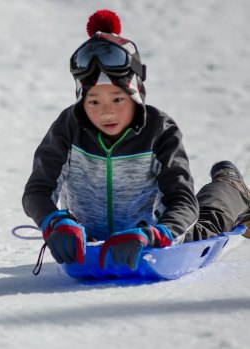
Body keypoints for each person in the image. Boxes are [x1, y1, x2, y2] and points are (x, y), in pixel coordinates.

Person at [22, 10, 250, 271]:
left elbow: (182, 202)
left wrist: (153, 235)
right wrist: (54, 221)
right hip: (90, 241)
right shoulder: (68, 127)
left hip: (151, 236)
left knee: (205, 225)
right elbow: (37, 190)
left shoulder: (159, 129)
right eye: (94, 101)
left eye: (117, 99)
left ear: (135, 95)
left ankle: (230, 187)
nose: (106, 111)